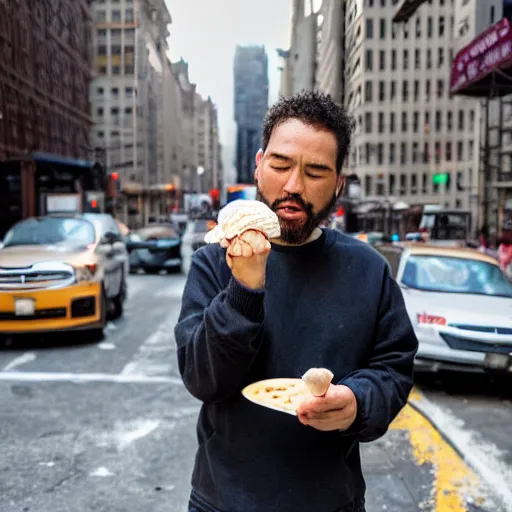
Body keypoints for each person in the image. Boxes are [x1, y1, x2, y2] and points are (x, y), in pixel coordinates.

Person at [175, 91, 418, 512]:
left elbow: (394, 370)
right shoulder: (214, 261)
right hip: (223, 500)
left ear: (339, 182)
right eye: (280, 165)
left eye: (316, 171)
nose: (293, 186)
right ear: (259, 164)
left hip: (330, 502)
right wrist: (244, 292)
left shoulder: (367, 270)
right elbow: (203, 380)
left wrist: (357, 403)